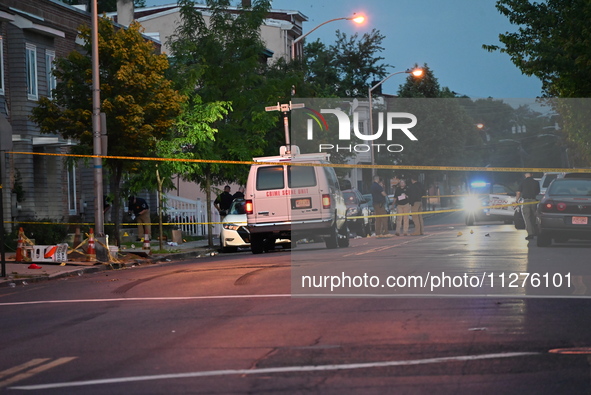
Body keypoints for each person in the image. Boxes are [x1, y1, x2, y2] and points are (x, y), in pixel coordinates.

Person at [516, 172, 540, 240]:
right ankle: (535, 231)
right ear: (532, 174)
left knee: (527, 218)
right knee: (533, 217)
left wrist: (516, 201)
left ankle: (530, 233)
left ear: (525, 175)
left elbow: (518, 192)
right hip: (534, 201)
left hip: (525, 201)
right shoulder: (536, 182)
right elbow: (538, 192)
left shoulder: (522, 182)